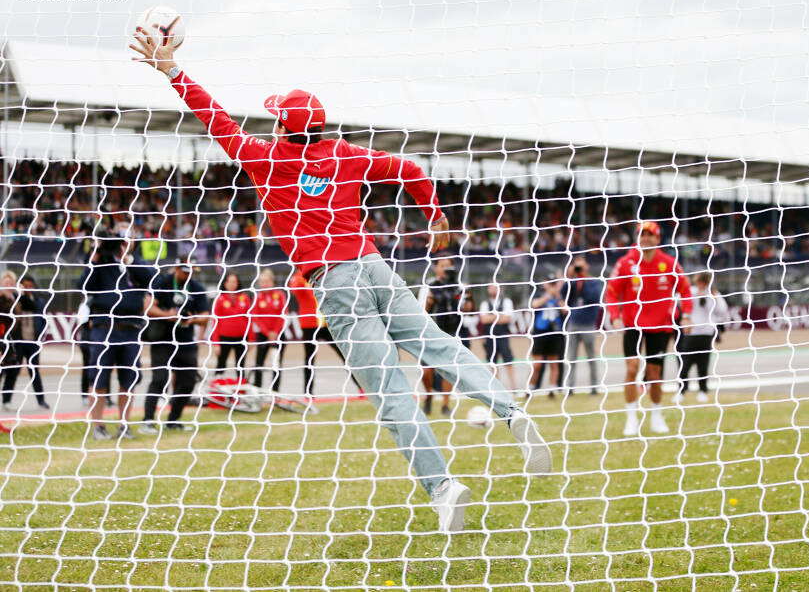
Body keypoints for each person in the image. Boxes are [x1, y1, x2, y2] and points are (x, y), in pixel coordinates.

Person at [130, 29, 550, 533]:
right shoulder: (346, 154)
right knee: (438, 346)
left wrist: (173, 71)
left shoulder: (267, 159)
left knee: (389, 390)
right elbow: (413, 168)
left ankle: (442, 485)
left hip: (335, 282)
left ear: (283, 129)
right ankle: (508, 410)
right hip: (377, 267)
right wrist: (435, 216)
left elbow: (214, 117)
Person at [605, 221, 692, 436]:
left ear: (658, 238)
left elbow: (685, 289)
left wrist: (687, 315)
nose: (646, 238)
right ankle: (631, 419)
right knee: (632, 368)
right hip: (633, 324)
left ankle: (656, 415)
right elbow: (612, 292)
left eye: (650, 234)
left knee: (654, 374)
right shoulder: (626, 263)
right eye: (642, 234)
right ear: (637, 237)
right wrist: (614, 317)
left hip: (661, 325)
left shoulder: (669, 263)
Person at [77, 231, 153, 440]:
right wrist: (96, 255)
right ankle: (98, 426)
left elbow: (151, 279)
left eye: (126, 239)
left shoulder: (137, 263)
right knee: (98, 379)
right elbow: (83, 286)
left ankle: (124, 425)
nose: (122, 243)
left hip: (130, 329)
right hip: (104, 328)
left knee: (128, 381)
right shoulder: (100, 264)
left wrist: (127, 259)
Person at [139, 257, 211, 433]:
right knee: (160, 379)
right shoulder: (162, 283)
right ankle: (147, 421)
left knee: (187, 382)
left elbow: (205, 316)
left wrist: (191, 320)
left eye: (191, 272)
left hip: (186, 341)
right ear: (176, 268)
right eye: (185, 271)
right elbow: (148, 307)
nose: (188, 275)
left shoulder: (197, 288)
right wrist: (167, 315)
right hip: (163, 338)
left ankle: (173, 420)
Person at [419, 257, 465, 416]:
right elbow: (421, 311)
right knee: (426, 371)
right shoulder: (429, 286)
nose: (445, 269)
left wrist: (462, 296)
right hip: (431, 332)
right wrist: (430, 300)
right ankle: (429, 396)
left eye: (448, 266)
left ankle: (445, 404)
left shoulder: (458, 286)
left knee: (449, 369)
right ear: (436, 268)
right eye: (442, 265)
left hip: (451, 331)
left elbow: (468, 308)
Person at [289, 269, 343, 397]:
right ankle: (308, 393)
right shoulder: (298, 278)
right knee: (309, 359)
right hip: (309, 325)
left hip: (325, 323)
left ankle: (361, 388)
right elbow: (294, 288)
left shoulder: (319, 274)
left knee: (343, 353)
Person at [675, 272, 728, 404]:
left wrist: (714, 297)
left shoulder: (714, 294)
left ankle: (703, 391)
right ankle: (681, 391)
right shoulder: (691, 292)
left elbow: (722, 312)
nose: (701, 285)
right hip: (691, 333)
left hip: (706, 333)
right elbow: (679, 300)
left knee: (703, 364)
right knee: (685, 364)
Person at [0, 272, 49, 411]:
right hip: (11, 341)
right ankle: (6, 398)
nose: (9, 286)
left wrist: (21, 294)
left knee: (34, 371)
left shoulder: (18, 298)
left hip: (31, 341)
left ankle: (41, 400)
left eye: (11, 283)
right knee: (10, 370)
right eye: (6, 283)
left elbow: (32, 307)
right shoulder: (2, 299)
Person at [561, 256, 603, 394]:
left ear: (587, 266)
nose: (579, 269)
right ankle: (570, 388)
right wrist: (570, 277)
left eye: (581, 266)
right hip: (573, 323)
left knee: (591, 357)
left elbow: (593, 297)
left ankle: (594, 388)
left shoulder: (594, 282)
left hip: (588, 324)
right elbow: (563, 294)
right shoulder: (573, 282)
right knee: (571, 358)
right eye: (577, 266)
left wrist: (583, 279)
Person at [530, 277, 568, 398]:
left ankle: (552, 389)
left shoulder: (559, 296)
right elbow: (534, 305)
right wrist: (547, 296)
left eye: (554, 284)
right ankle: (530, 387)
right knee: (537, 364)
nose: (552, 286)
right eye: (550, 283)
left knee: (554, 363)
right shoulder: (538, 293)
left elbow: (565, 311)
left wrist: (557, 296)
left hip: (555, 333)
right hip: (540, 333)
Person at [250, 269, 287, 391]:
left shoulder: (280, 295)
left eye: (266, 281)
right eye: (261, 282)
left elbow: (283, 314)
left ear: (272, 282)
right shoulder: (258, 297)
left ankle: (275, 391)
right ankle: (257, 389)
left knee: (276, 363)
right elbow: (255, 316)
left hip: (278, 335)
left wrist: (275, 332)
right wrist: (267, 332)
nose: (264, 284)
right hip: (263, 335)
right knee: (259, 362)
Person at [211, 272, 251, 380]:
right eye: (230, 282)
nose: (232, 284)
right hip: (224, 337)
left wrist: (251, 339)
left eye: (235, 281)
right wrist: (216, 343)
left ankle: (240, 389)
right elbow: (215, 322)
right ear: (225, 283)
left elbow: (249, 319)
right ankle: (217, 390)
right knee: (221, 364)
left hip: (241, 337)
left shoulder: (245, 297)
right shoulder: (219, 299)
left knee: (241, 365)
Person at [478, 283, 517, 391]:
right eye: (491, 287)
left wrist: (491, 317)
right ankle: (497, 389)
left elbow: (507, 318)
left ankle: (513, 388)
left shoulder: (507, 301)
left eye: (496, 287)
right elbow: (483, 319)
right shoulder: (485, 303)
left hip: (503, 335)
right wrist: (499, 315)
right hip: (490, 337)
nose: (493, 289)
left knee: (508, 361)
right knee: (492, 363)